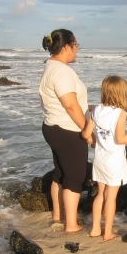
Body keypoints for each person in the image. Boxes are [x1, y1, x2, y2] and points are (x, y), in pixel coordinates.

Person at [82, 76, 127, 241]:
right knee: (111, 197)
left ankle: (94, 229)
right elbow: (120, 139)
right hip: (113, 162)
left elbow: (86, 134)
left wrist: (93, 140)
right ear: (122, 94)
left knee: (100, 194)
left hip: (99, 160)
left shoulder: (95, 111)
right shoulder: (120, 113)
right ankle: (107, 232)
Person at [39, 29, 89, 233]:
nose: (77, 49)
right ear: (66, 46)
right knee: (75, 178)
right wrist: (87, 129)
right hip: (68, 131)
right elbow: (70, 105)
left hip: (52, 127)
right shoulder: (62, 71)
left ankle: (57, 216)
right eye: (76, 45)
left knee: (60, 174)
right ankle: (71, 225)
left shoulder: (51, 65)